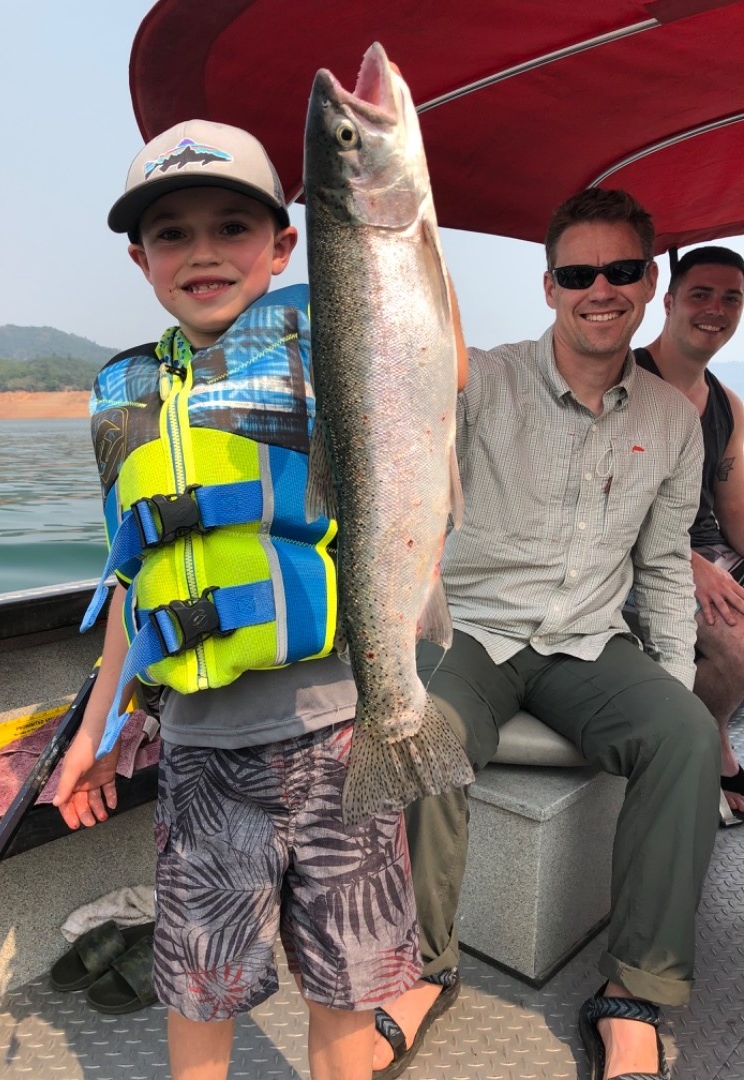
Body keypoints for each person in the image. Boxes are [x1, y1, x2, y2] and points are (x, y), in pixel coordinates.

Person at [53, 119, 424, 1080]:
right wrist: (94, 738)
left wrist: (390, 213)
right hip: (203, 756)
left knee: (348, 992)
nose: (204, 251)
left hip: (346, 732)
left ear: (286, 245)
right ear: (141, 259)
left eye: (233, 226)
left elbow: (428, 368)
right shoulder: (121, 396)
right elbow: (134, 591)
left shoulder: (329, 344)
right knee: (200, 991)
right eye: (172, 233)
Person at [371, 188, 720, 1080]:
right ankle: (422, 965)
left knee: (684, 732)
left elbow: (665, 568)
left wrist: (673, 681)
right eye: (577, 273)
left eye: (620, 271)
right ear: (549, 286)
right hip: (476, 629)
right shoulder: (484, 379)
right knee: (423, 726)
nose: (599, 289)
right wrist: (398, 225)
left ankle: (634, 992)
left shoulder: (675, 421)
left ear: (648, 284)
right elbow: (413, 375)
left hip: (589, 642)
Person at [632, 246, 744, 816]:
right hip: (633, 555)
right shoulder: (624, 382)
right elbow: (606, 506)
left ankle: (712, 725)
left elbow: (732, 518)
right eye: (701, 294)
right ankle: (712, 741)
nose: (716, 309)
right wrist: (689, 564)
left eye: (732, 298)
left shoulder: (729, 403)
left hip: (705, 549)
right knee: (739, 642)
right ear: (669, 300)